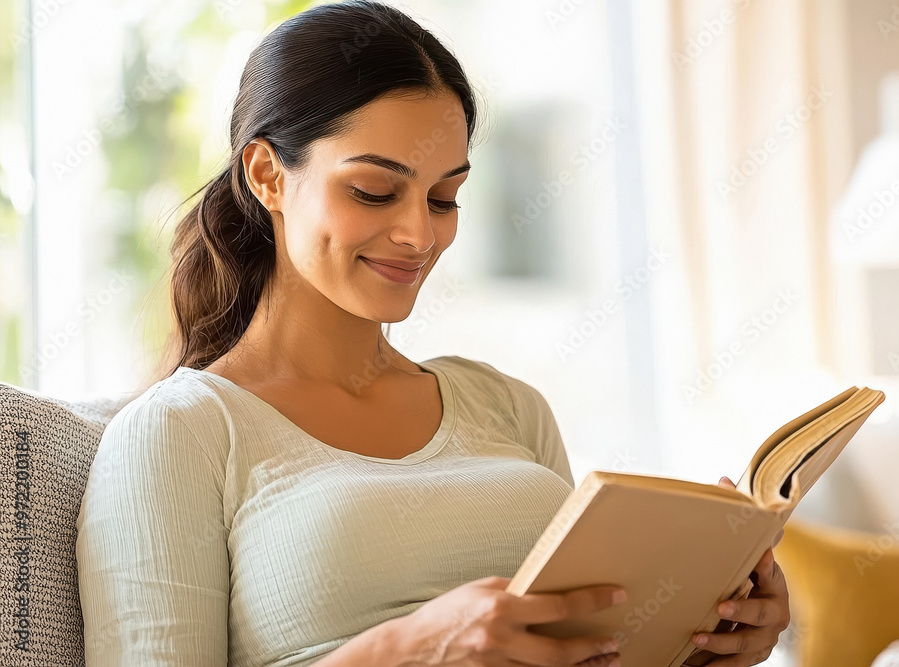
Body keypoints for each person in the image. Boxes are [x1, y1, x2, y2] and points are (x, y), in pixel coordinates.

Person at [75, 2, 790, 665]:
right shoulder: (177, 435)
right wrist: (405, 649)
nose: (419, 233)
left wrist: (702, 641)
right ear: (266, 174)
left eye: (444, 197)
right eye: (374, 191)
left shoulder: (508, 407)